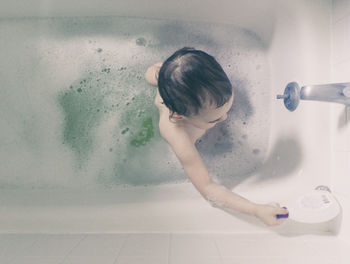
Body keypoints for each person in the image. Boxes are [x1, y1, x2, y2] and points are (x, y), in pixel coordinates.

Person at [145, 47, 289, 226]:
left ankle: (158, 73)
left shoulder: (211, 86)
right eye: (216, 118)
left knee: (164, 73)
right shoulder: (178, 135)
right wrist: (255, 210)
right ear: (180, 116)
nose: (225, 118)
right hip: (170, 97)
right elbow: (207, 188)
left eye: (227, 107)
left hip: (176, 84)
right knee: (157, 76)